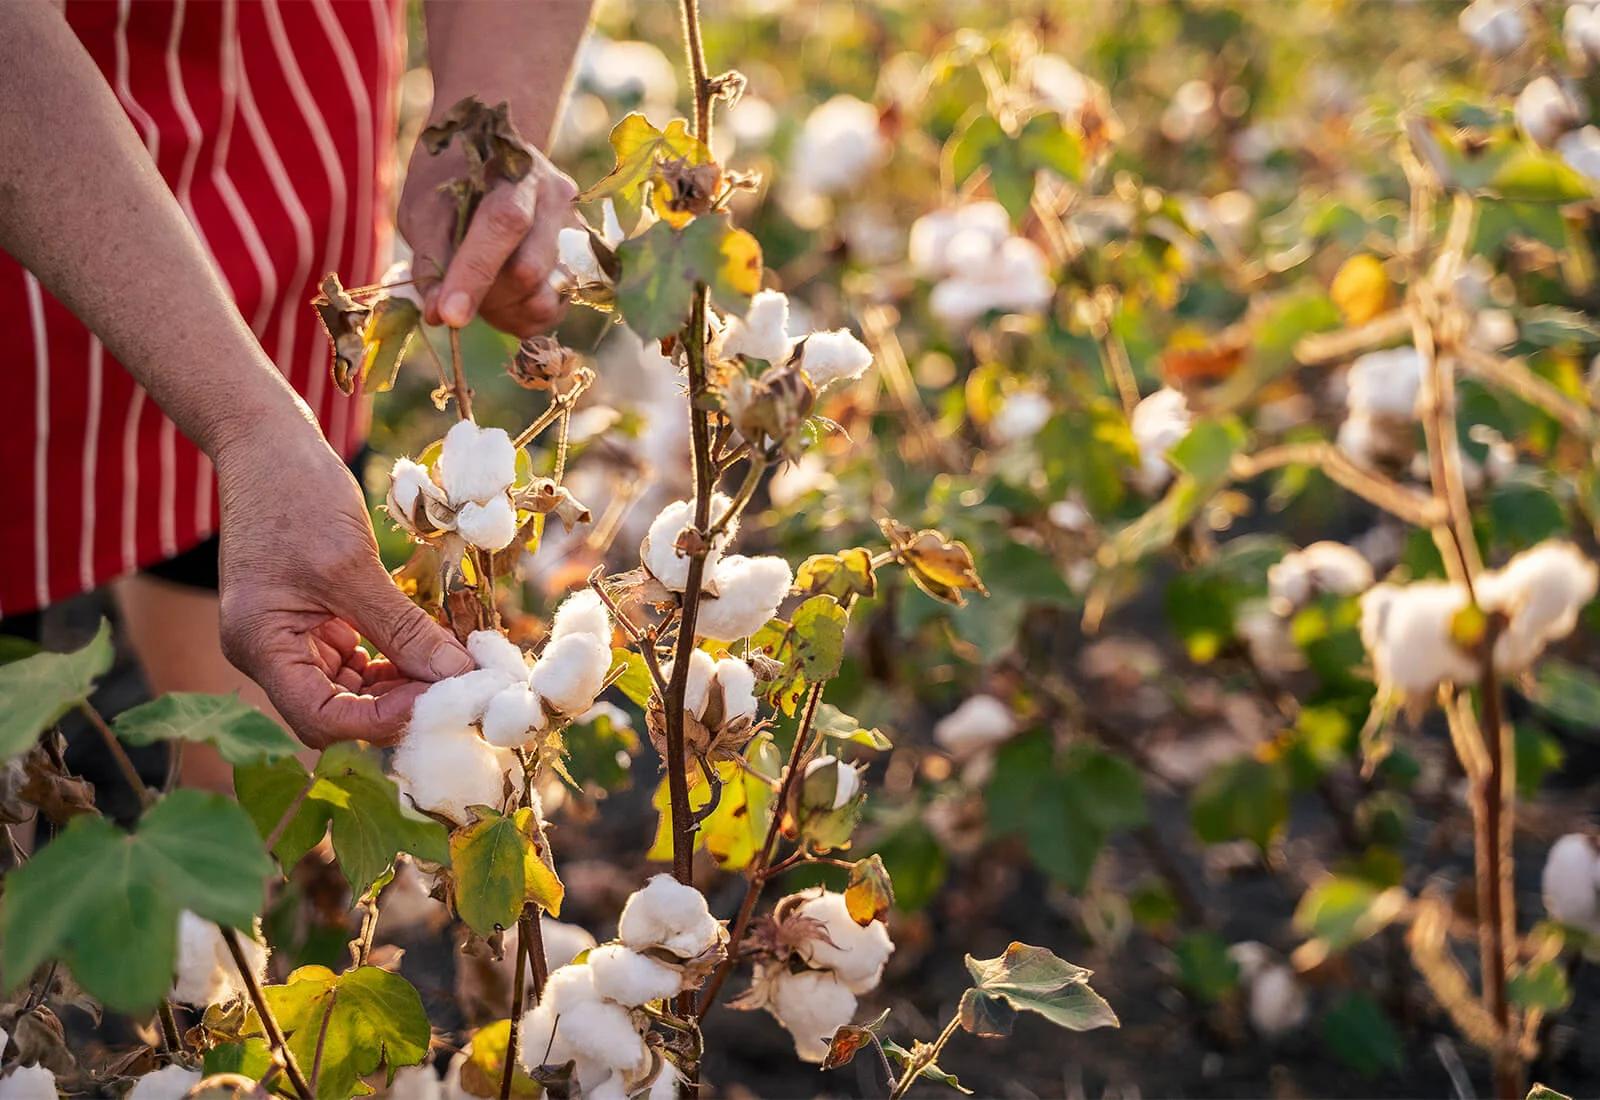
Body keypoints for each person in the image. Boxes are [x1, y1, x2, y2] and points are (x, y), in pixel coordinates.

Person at [0, 0, 592, 786]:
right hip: (27, 100)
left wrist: (486, 127)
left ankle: (248, 895)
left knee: (271, 760)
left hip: (281, 80)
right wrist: (252, 429)